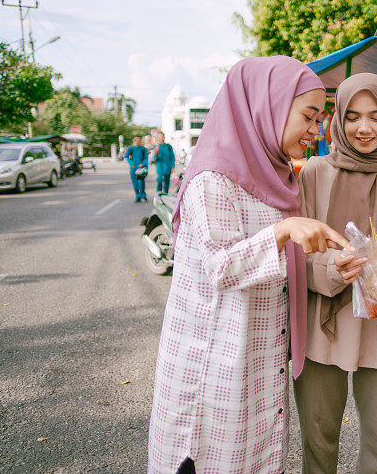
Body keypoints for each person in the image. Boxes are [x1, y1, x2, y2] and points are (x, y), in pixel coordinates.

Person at [147, 56, 350, 474]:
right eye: (308, 117)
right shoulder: (213, 180)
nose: (316, 131)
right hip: (214, 365)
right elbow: (222, 266)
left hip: (258, 358)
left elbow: (281, 266)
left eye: (319, 119)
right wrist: (285, 231)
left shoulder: (276, 176)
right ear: (267, 105)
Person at [294, 73, 377, 473]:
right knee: (318, 440)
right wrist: (332, 268)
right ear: (338, 119)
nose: (364, 128)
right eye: (352, 117)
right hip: (322, 325)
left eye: (375, 117)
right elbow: (295, 252)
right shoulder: (314, 173)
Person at [125, 136, 149, 202]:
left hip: (141, 168)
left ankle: (143, 195)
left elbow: (146, 158)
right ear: (133, 140)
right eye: (136, 140)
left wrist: (143, 164)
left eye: (138, 140)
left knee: (141, 182)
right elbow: (127, 157)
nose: (137, 141)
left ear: (140, 141)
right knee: (135, 183)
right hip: (133, 168)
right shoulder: (131, 148)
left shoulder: (143, 149)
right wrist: (131, 163)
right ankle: (137, 196)